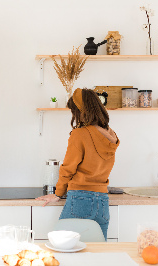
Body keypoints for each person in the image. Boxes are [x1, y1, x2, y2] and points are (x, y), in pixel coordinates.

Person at [36, 88, 119, 240]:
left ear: (81, 111)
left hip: (80, 199)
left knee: (62, 246)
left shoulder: (80, 134)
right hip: (102, 201)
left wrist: (58, 194)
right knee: (97, 252)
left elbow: (68, 169)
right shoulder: (110, 135)